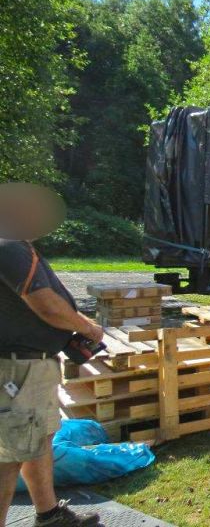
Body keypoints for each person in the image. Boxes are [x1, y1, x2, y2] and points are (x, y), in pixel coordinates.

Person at [0, 183, 104, 526]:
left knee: (36, 438)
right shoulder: (10, 244)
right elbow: (45, 303)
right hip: (20, 366)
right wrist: (87, 327)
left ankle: (49, 514)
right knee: (11, 452)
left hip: (27, 362)